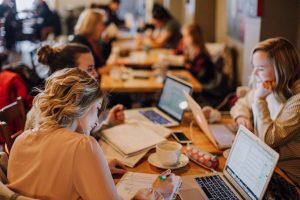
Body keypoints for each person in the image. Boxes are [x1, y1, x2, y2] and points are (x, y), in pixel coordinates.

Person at [7, 68, 175, 199]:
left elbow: (48, 179)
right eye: (96, 109)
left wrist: (96, 169)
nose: (96, 121)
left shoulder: (22, 139)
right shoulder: (82, 145)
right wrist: (157, 192)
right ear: (79, 106)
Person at [230, 37, 300, 187]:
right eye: (254, 67)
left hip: (289, 180)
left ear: (281, 70)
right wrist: (241, 116)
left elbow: (268, 140)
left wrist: (259, 100)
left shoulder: (297, 102)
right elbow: (241, 103)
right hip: (266, 167)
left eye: (260, 68)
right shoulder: (270, 85)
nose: (254, 73)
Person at [25, 43, 124, 134]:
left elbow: (86, 137)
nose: (96, 74)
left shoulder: (72, 104)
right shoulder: (52, 118)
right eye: (89, 69)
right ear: (69, 75)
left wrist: (109, 123)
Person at [181, 23, 229, 107]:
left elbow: (198, 76)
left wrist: (187, 66)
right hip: (196, 85)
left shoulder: (202, 56)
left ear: (194, 37)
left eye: (186, 36)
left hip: (204, 90)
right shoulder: (192, 51)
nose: (183, 39)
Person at [72, 8, 113, 74]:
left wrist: (107, 43)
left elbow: (102, 61)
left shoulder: (93, 40)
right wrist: (104, 69)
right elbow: (85, 74)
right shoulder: (79, 44)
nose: (103, 28)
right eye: (101, 24)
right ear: (92, 25)